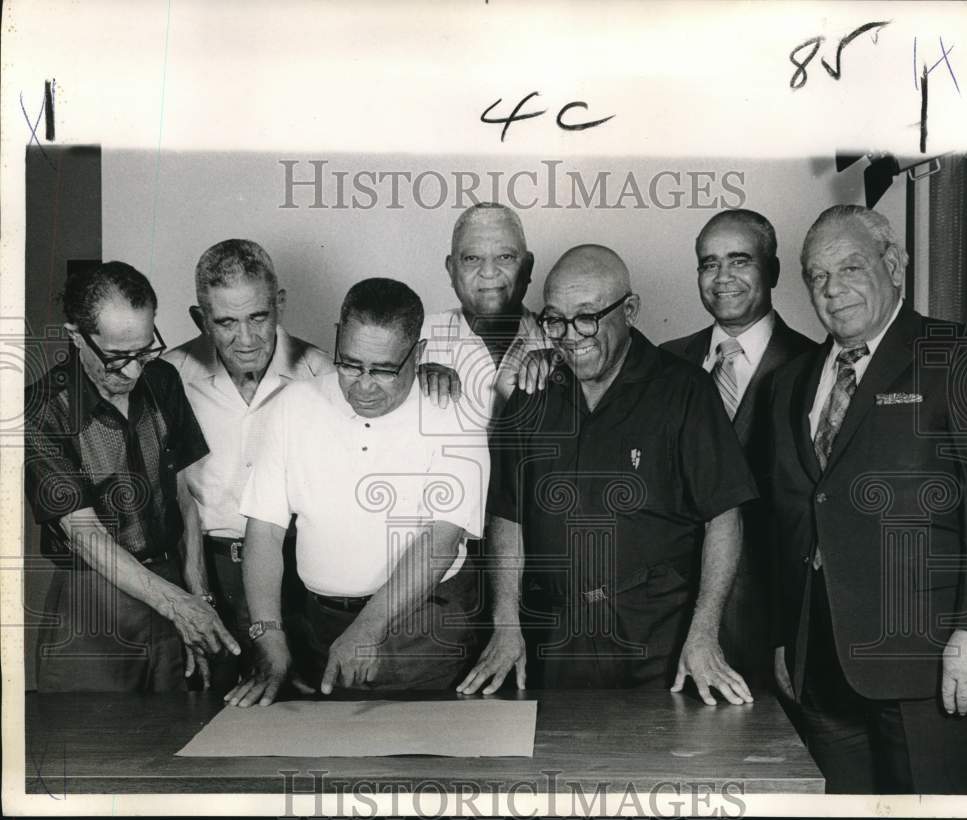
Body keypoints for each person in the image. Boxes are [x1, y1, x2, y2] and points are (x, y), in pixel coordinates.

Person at [458, 245, 758, 703]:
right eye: (554, 319)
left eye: (586, 317)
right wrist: (504, 626)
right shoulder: (531, 396)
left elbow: (724, 516)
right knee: (557, 769)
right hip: (555, 640)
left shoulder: (684, 390)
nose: (570, 335)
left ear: (630, 310)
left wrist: (704, 634)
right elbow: (507, 515)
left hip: (661, 641)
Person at [768, 205, 967, 793]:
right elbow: (797, 513)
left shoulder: (957, 355)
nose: (832, 291)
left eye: (850, 269)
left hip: (928, 665)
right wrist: (789, 637)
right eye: (817, 277)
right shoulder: (791, 382)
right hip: (822, 667)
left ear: (894, 264)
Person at [226, 278, 490, 707]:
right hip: (318, 625)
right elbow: (264, 530)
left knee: (418, 763)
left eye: (384, 370)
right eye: (350, 365)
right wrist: (269, 637)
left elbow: (440, 541)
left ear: (418, 355)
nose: (364, 386)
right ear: (336, 339)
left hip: (421, 630)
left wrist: (369, 629)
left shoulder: (454, 416)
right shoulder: (293, 406)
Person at [23, 261, 239, 691]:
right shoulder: (42, 410)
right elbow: (86, 536)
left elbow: (183, 496)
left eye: (144, 351)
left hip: (172, 578)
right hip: (95, 600)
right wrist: (177, 605)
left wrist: (196, 595)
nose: (134, 371)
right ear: (76, 336)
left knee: (184, 731)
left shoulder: (163, 379)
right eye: (118, 357)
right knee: (96, 744)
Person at [165, 239, 336, 692]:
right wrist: (196, 593)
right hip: (205, 571)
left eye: (258, 317)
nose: (246, 339)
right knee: (210, 709)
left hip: (298, 575)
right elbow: (171, 491)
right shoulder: (170, 375)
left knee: (305, 706)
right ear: (201, 319)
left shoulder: (322, 372)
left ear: (279, 303)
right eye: (226, 322)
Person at [661, 210, 816, 688]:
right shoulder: (664, 361)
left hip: (765, 627)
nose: (722, 277)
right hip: (660, 626)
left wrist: (791, 636)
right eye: (709, 264)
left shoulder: (815, 366)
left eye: (739, 260)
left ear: (771, 270)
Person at [421, 202, 549, 430]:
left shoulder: (562, 344)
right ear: (451, 270)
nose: (489, 272)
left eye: (505, 257)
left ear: (528, 267)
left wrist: (564, 373)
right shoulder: (414, 340)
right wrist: (409, 381)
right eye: (472, 258)